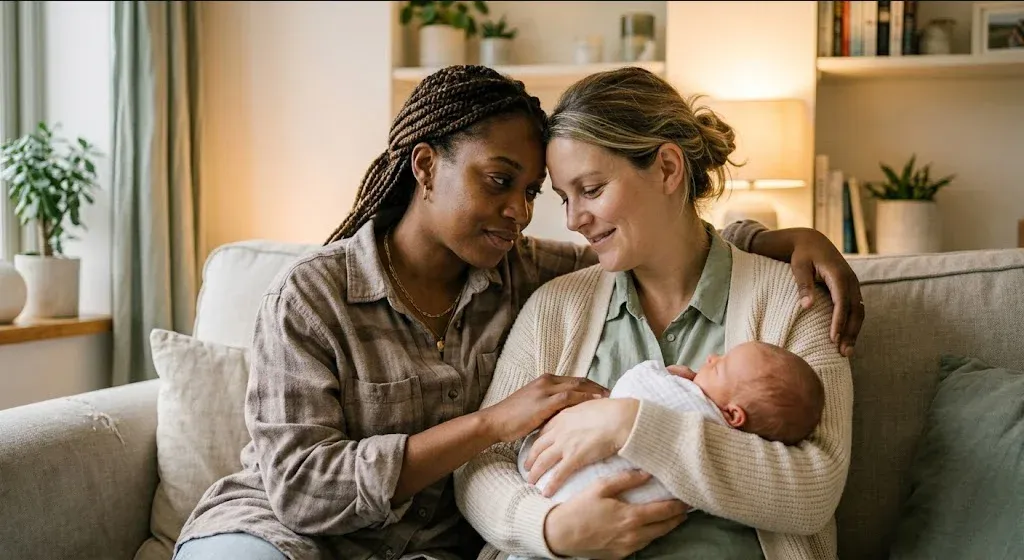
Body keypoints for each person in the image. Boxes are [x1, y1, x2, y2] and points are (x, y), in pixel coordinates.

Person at [173, 65, 862, 560]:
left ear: (669, 169)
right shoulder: (319, 296)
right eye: (511, 184)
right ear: (424, 168)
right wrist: (542, 514)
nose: (541, 216)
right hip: (288, 531)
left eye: (544, 192)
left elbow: (811, 487)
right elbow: (311, 490)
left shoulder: (538, 273)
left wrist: (776, 241)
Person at [454, 66, 855, 560]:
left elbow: (814, 490)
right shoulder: (556, 308)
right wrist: (551, 528)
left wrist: (630, 425)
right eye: (563, 197)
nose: (574, 220)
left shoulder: (792, 301)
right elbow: (480, 464)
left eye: (592, 189)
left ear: (667, 168)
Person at [518, 341, 825, 506]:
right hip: (555, 513)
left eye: (720, 368)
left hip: (559, 488)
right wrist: (549, 531)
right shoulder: (557, 300)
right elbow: (493, 456)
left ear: (732, 416)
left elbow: (636, 385)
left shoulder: (697, 410)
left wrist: (657, 383)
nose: (711, 359)